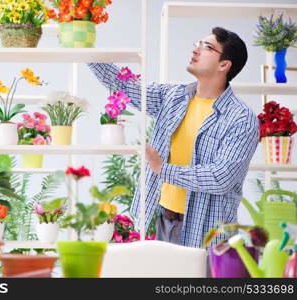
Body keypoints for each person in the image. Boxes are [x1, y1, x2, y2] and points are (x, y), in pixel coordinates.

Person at [88, 27, 259, 248]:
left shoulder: (241, 118)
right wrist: (85, 49)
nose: (196, 50)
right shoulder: (172, 97)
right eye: (198, 43)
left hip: (206, 230)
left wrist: (163, 169)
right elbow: (124, 85)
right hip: (163, 218)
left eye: (207, 47)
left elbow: (221, 177)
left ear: (224, 65)